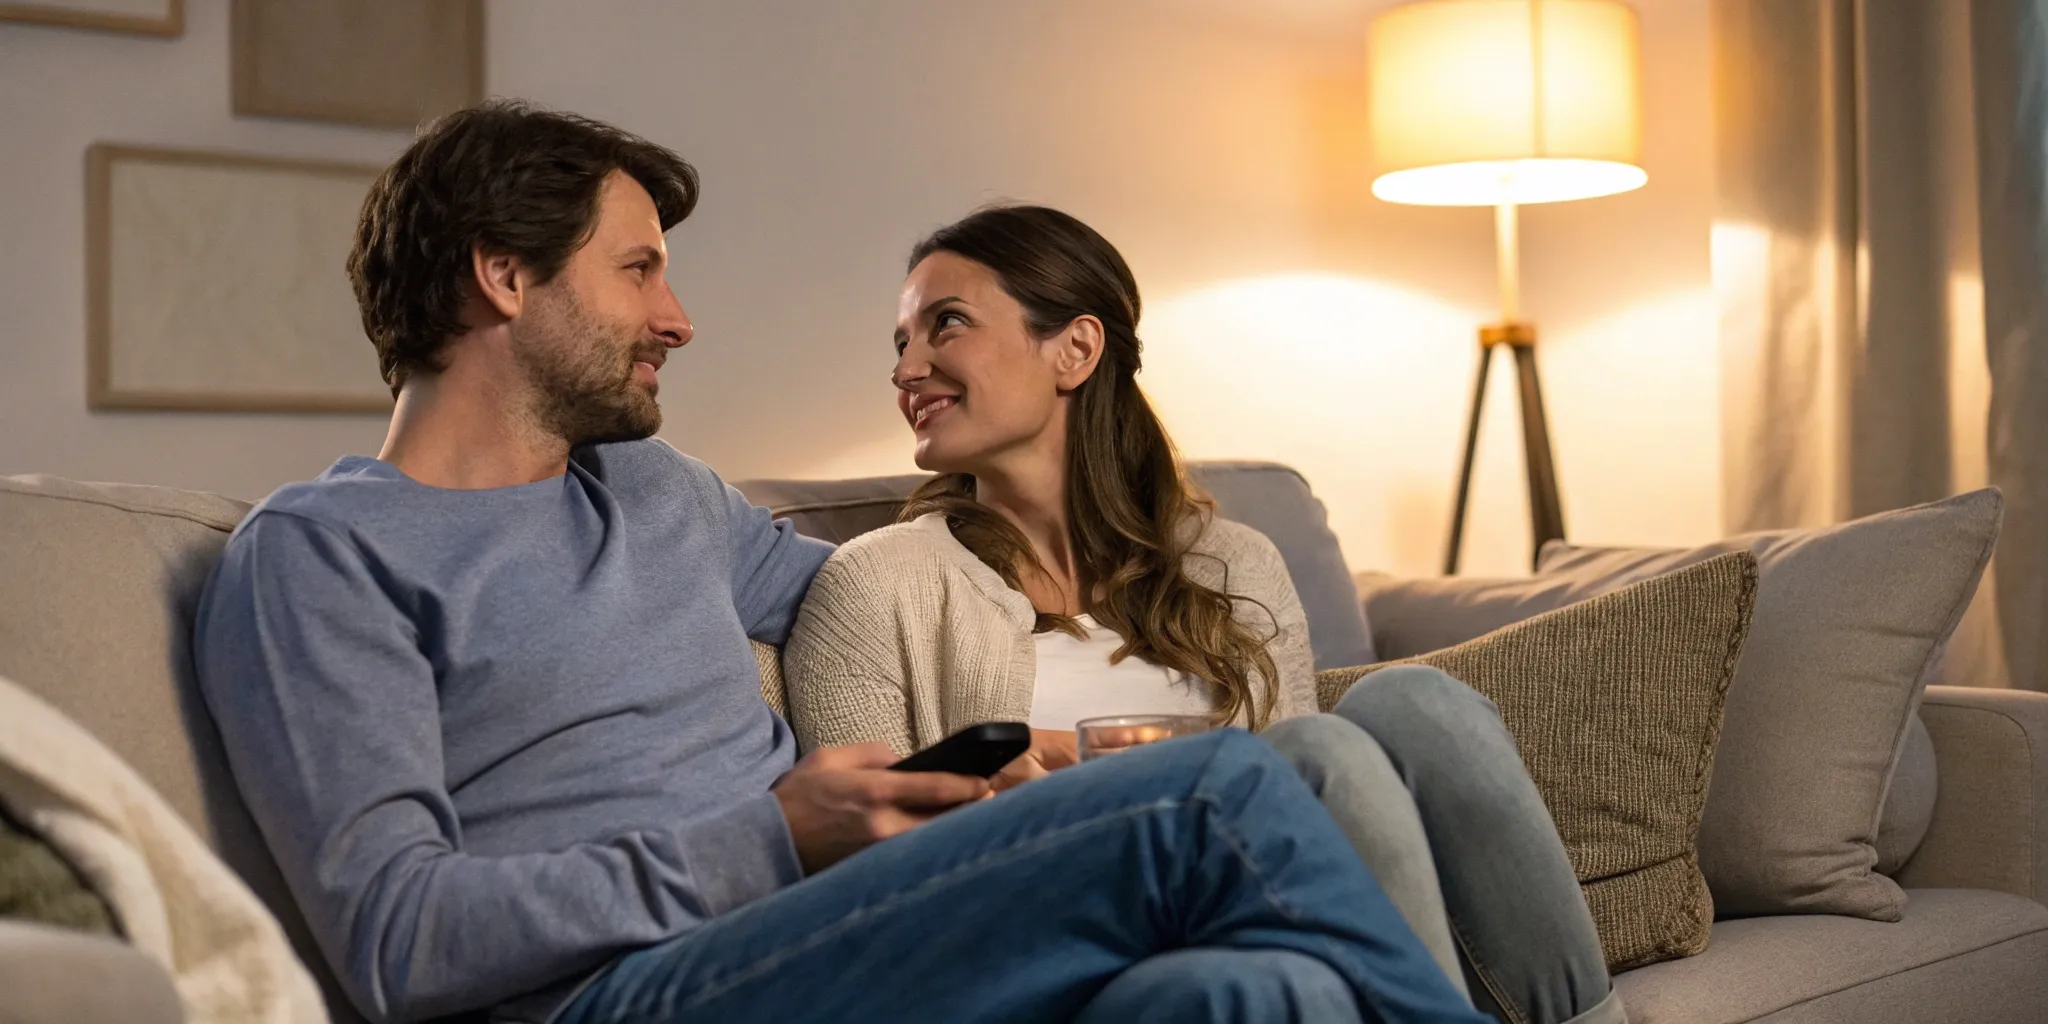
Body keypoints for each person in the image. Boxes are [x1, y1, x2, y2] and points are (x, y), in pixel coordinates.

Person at [189, 100, 1487, 1024]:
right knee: (1218, 797)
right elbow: (395, 941)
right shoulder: (319, 558)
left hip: (832, 934)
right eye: (639, 271)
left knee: (1255, 992)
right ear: (504, 276)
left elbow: (887, 605)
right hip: (624, 993)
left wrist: (1032, 711)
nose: (678, 319)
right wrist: (767, 839)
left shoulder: (653, 491)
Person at [781, 204, 1626, 1024]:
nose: (905, 370)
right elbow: (863, 881)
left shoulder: (1237, 564)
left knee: (1415, 703)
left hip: (1277, 918)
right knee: (1310, 748)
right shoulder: (877, 584)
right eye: (901, 344)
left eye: (946, 325)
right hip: (1073, 923)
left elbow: (1316, 818)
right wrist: (999, 799)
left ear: (1075, 349)